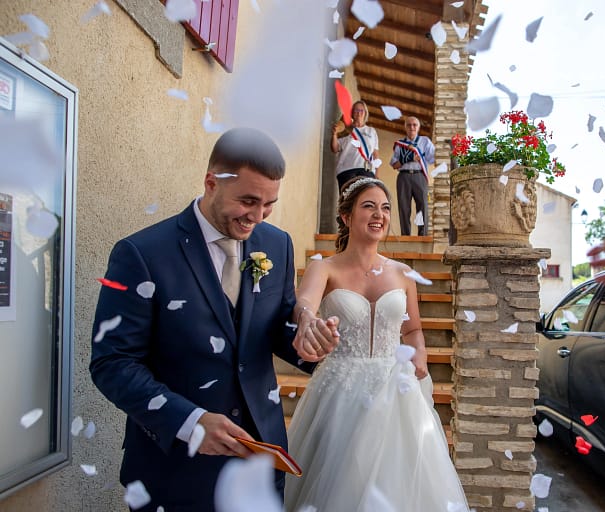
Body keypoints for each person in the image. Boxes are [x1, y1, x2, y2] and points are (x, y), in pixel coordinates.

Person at [89, 128, 339, 511]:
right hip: (174, 472)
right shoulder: (140, 254)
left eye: (269, 203)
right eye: (248, 201)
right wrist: (190, 422)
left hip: (260, 462)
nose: (257, 216)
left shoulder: (277, 244)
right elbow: (112, 363)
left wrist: (306, 341)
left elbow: (274, 326)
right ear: (211, 182)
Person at [284, 177, 469, 511]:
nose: (379, 215)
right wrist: (308, 320)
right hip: (339, 391)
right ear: (346, 216)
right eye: (368, 206)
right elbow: (305, 303)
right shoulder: (323, 267)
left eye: (385, 208)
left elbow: (412, 330)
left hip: (395, 391)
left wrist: (420, 354)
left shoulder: (403, 273)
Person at [390, 116, 435, 236]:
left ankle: (423, 235)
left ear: (419, 127)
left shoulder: (425, 141)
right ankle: (405, 236)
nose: (412, 127)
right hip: (403, 176)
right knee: (404, 208)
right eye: (409, 125)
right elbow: (394, 164)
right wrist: (409, 158)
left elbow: (433, 159)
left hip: (419, 176)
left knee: (423, 206)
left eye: (415, 125)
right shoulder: (400, 144)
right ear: (405, 127)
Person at [330, 100, 380, 192]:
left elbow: (375, 154)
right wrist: (334, 134)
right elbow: (335, 148)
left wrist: (377, 173)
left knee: (365, 200)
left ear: (365, 113)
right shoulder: (344, 130)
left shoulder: (371, 131)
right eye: (356, 110)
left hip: (366, 171)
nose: (359, 113)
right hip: (346, 170)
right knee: (347, 202)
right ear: (352, 113)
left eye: (361, 110)